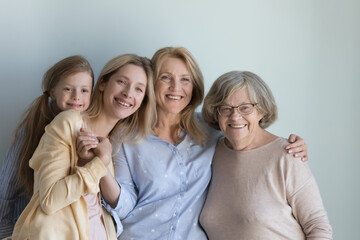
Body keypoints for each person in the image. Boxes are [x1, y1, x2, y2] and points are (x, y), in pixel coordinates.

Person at [78, 47, 308, 239]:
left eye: (184, 80)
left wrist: (287, 146)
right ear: (151, 84)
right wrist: (102, 165)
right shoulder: (125, 138)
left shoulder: (210, 130)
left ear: (194, 87)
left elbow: (247, 131)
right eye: (165, 78)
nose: (176, 88)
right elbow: (125, 207)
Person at [11, 54, 156, 240]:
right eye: (122, 82)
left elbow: (122, 208)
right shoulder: (69, 123)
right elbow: (49, 201)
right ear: (102, 83)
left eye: (138, 89)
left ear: (143, 99)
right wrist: (98, 164)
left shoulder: (115, 144)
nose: (128, 93)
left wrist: (101, 163)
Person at [200, 71, 332, 239]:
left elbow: (318, 227)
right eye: (225, 108)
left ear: (261, 110)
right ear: (216, 112)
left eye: (245, 107)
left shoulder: (287, 156)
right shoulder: (211, 153)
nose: (235, 116)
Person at [0, 55, 94, 238]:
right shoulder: (33, 127)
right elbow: (7, 186)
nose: (76, 96)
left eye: (84, 90)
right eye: (68, 89)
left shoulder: (85, 128)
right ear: (53, 92)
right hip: (27, 226)